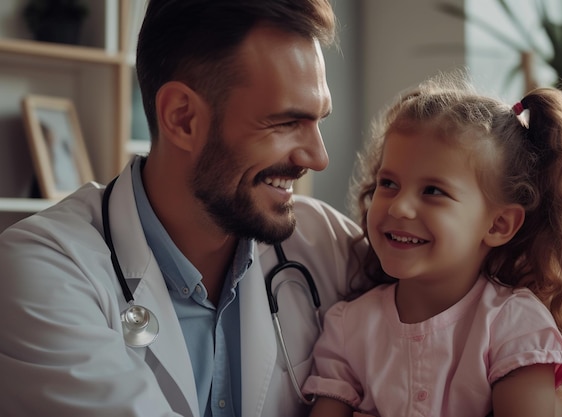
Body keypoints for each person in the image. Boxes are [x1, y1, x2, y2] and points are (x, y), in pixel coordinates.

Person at [0, 1, 368, 416]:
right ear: (182, 118)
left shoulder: (328, 245)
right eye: (286, 123)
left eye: (318, 120)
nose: (318, 157)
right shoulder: (40, 269)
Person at [302, 72, 562, 417]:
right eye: (388, 183)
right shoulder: (347, 325)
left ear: (499, 225)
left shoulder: (514, 325)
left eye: (433, 191)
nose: (398, 207)